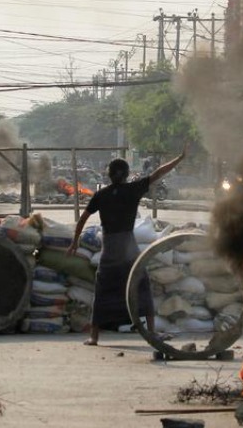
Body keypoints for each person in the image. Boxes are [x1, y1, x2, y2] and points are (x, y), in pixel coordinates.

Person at [68, 143, 188, 346]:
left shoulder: (101, 195)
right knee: (141, 286)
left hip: (109, 249)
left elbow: (82, 219)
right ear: (126, 174)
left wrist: (74, 242)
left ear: (108, 175)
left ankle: (94, 337)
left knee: (103, 291)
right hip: (129, 248)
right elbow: (158, 173)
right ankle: (151, 333)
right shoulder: (133, 189)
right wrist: (179, 159)